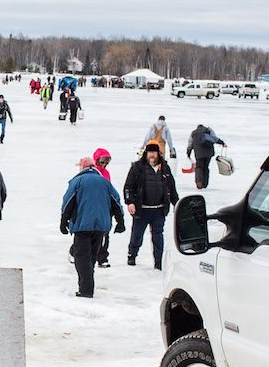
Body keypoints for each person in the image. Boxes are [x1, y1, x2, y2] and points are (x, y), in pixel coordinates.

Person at [60, 156, 125, 298]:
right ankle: (88, 286)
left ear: (83, 167)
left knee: (81, 257)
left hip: (82, 226)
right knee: (91, 257)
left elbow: (68, 202)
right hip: (101, 226)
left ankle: (86, 290)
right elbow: (116, 202)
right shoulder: (105, 182)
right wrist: (120, 222)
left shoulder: (77, 181)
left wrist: (64, 221)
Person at [123, 140, 179, 268]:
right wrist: (130, 202)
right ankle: (132, 255)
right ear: (146, 153)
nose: (152, 155)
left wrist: (176, 203)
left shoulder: (165, 168)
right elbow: (128, 187)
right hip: (142, 210)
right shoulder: (137, 167)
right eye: (149, 152)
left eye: (154, 152)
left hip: (159, 210)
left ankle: (159, 262)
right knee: (137, 235)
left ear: (158, 153)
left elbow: (171, 187)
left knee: (158, 237)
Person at [184, 122, 228, 190]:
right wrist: (222, 143)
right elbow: (214, 138)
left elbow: (190, 144)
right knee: (206, 167)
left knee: (199, 167)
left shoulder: (193, 133)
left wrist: (188, 153)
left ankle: (199, 181)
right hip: (208, 153)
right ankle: (205, 184)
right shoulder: (208, 130)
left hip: (198, 153)